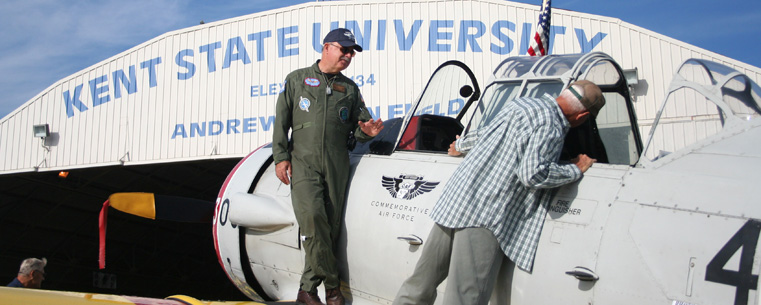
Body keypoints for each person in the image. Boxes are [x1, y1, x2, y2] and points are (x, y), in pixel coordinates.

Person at [393, 80, 605, 305]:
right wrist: (575, 169)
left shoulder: (522, 105)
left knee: (420, 285)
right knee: (466, 297)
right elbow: (532, 174)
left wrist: (461, 146)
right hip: (485, 216)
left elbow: (486, 134)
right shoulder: (551, 125)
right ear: (582, 117)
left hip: (455, 202)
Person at [273, 28, 384, 305]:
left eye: (351, 52)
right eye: (343, 49)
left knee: (331, 227)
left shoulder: (350, 89)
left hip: (337, 163)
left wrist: (367, 132)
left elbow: (359, 128)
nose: (347, 55)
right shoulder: (297, 79)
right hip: (303, 161)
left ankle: (307, 290)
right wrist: (280, 157)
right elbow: (281, 122)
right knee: (312, 218)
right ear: (326, 48)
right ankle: (333, 287)